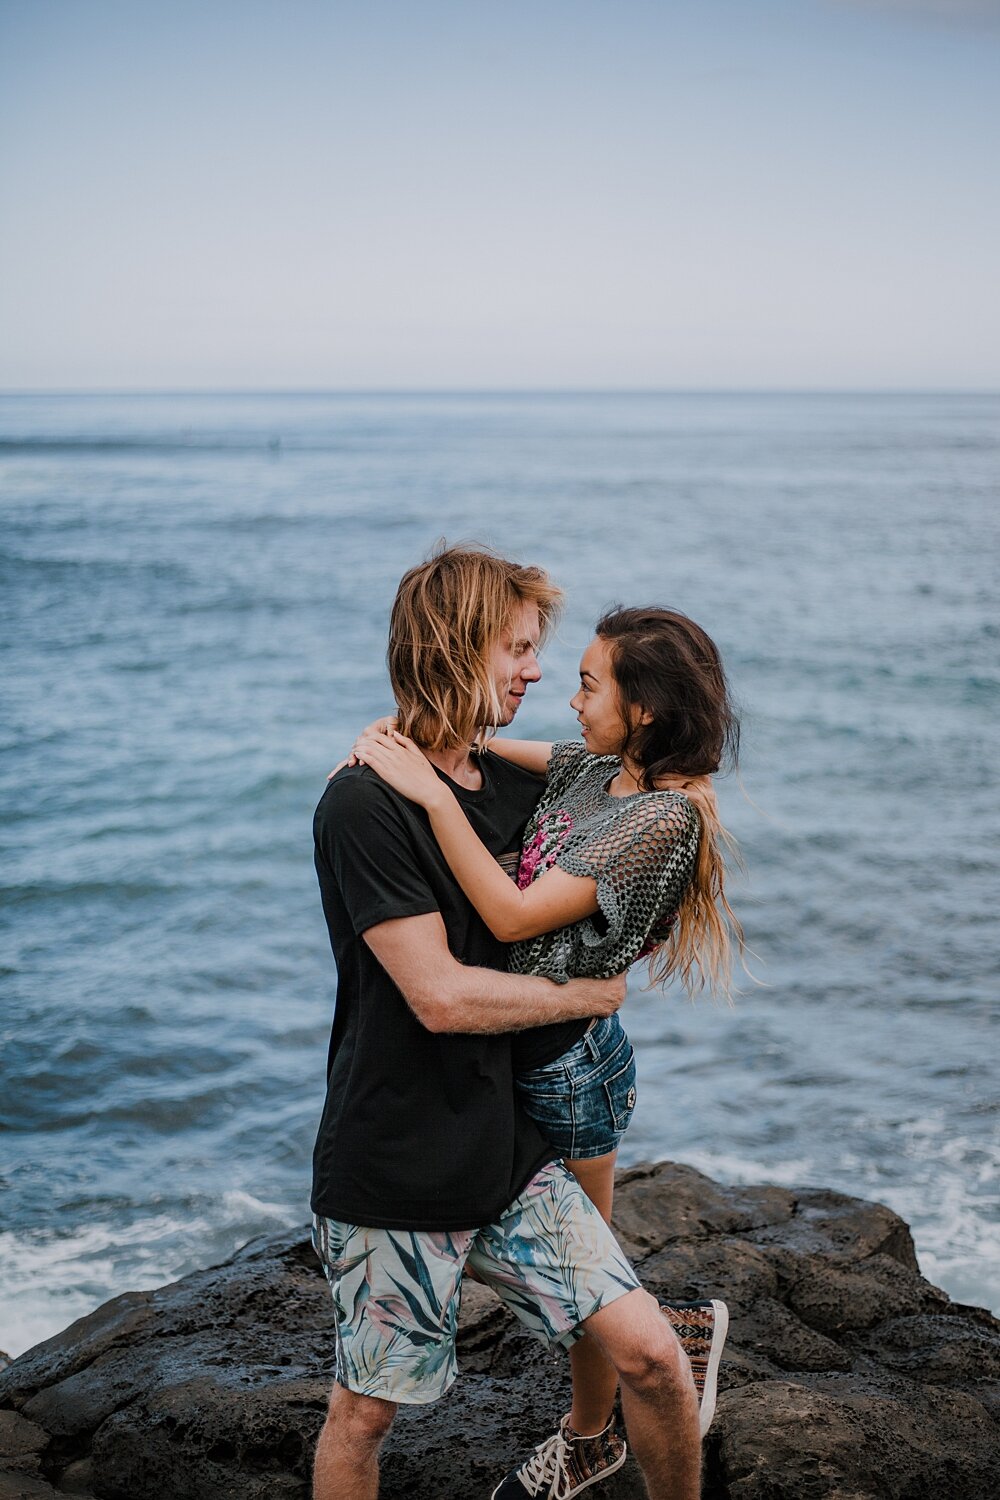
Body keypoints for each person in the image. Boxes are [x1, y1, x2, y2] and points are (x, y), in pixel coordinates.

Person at [311, 546, 704, 1500]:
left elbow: (634, 821)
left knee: (652, 1360)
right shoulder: (363, 805)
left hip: (514, 1147)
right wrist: (580, 999)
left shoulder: (526, 787)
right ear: (455, 647)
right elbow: (441, 998)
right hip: (397, 1160)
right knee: (362, 1418)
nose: (536, 671)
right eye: (520, 648)